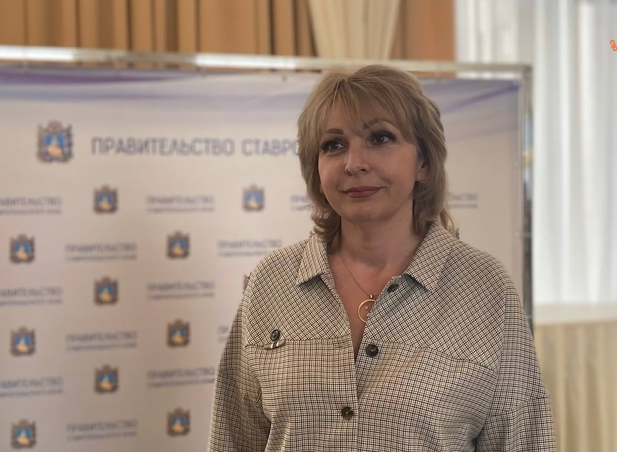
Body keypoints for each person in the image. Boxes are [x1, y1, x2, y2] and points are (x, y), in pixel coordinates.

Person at [209, 65, 555, 451]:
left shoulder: (485, 289)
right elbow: (232, 439)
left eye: (380, 138)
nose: (354, 162)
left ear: (423, 162)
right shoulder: (272, 281)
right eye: (333, 145)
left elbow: (524, 441)